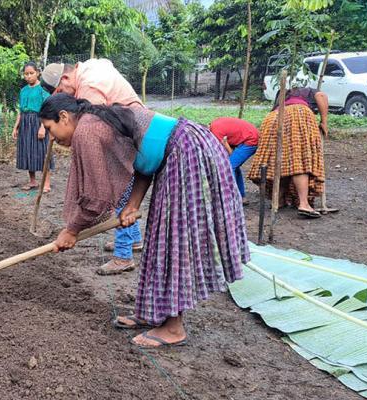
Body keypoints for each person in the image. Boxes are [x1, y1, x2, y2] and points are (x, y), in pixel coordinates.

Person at [40, 94, 249, 348]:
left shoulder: (86, 130)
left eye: (50, 128)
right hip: (182, 150)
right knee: (160, 239)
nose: (52, 137)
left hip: (187, 153)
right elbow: (143, 159)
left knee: (174, 240)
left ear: (63, 116)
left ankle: (173, 328)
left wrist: (72, 230)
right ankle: (152, 313)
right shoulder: (97, 120)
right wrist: (133, 205)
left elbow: (97, 197)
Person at [41, 58, 143, 275]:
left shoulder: (89, 93)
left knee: (120, 195)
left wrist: (72, 229)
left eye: (61, 91)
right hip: (133, 142)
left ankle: (123, 256)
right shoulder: (89, 71)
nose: (65, 97)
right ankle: (133, 240)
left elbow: (97, 193)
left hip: (132, 141)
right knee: (127, 200)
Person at [247, 87, 328, 218]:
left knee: (278, 161)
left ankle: (278, 200)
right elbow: (321, 96)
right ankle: (304, 204)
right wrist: (324, 122)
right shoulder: (308, 91)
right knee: (299, 159)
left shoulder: (282, 97)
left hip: (272, 119)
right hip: (297, 115)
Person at [12, 62, 52, 192]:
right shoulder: (23, 91)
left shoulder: (43, 90)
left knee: (41, 151)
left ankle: (46, 183)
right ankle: (33, 181)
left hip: (38, 121)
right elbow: (21, 111)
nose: (28, 76)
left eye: (31, 73)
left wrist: (42, 127)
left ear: (38, 73)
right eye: (26, 74)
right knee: (28, 151)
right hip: (25, 123)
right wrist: (15, 127)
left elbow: (47, 110)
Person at [209, 117, 259, 198]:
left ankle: (232, 197)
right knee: (234, 166)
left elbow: (229, 152)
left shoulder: (215, 132)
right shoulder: (215, 123)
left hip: (250, 140)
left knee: (229, 166)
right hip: (250, 135)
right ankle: (240, 196)